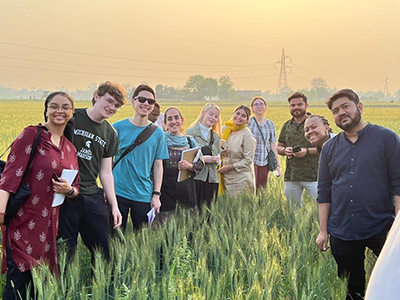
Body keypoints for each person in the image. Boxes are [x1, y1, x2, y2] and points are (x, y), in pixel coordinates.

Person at [316, 88, 400, 300]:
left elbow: (398, 183)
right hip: (342, 228)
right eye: (335, 111)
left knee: (393, 282)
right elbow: (324, 191)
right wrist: (323, 231)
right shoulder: (329, 148)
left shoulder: (387, 138)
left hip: (382, 225)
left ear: (359, 107)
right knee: (352, 290)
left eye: (345, 106)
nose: (341, 113)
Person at [0, 92, 79, 299]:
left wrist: (68, 190)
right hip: (23, 220)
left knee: (39, 286)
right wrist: (1, 212)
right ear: (46, 109)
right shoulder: (32, 135)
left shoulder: (70, 148)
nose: (59, 111)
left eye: (65, 107)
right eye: (54, 106)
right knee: (17, 283)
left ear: (72, 112)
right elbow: (10, 175)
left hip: (50, 225)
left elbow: (76, 188)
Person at [58, 81, 126, 262]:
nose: (112, 108)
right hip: (63, 194)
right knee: (65, 249)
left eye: (117, 106)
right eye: (109, 101)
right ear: (96, 96)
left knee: (104, 250)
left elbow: (106, 172)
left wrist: (114, 205)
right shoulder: (72, 117)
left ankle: (103, 288)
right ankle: (61, 289)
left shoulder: (110, 134)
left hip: (90, 193)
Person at [113, 84, 169, 231]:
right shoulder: (117, 128)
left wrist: (156, 195)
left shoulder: (158, 133)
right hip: (118, 191)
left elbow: (158, 166)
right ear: (133, 101)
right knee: (115, 238)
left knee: (142, 239)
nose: (146, 104)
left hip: (144, 194)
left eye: (150, 101)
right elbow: (105, 161)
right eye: (142, 99)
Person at [277, 92, 319, 207]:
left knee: (320, 210)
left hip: (314, 176)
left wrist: (307, 151)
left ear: (306, 105)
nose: (296, 107)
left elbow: (326, 147)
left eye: (299, 104)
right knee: (293, 213)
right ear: (289, 107)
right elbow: (279, 147)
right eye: (293, 105)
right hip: (292, 176)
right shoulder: (287, 125)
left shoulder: (316, 123)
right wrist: (285, 150)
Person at [160, 107, 203, 212]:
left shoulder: (189, 141)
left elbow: (201, 163)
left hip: (187, 192)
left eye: (176, 118)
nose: (173, 121)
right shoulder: (160, 141)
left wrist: (190, 166)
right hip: (165, 192)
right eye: (170, 119)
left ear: (182, 120)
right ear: (165, 123)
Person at [186, 102, 222, 208]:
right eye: (211, 114)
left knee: (208, 215)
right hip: (196, 179)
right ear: (203, 113)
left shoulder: (216, 137)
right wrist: (203, 159)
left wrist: (217, 160)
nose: (213, 118)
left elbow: (219, 161)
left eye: (216, 116)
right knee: (194, 212)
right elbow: (185, 158)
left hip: (212, 179)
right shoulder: (191, 132)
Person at [218, 105, 256, 196]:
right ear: (233, 114)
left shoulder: (247, 136)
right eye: (237, 113)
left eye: (243, 116)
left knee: (240, 208)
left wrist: (229, 167)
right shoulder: (225, 129)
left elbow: (248, 160)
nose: (239, 117)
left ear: (247, 120)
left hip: (240, 179)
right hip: (224, 177)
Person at [248, 96, 281, 190]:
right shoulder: (248, 122)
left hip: (264, 162)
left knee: (262, 190)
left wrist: (278, 165)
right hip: (250, 161)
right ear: (252, 109)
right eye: (256, 104)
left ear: (266, 107)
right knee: (250, 189)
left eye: (261, 104)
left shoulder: (270, 124)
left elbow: (273, 145)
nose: (259, 106)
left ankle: (260, 205)